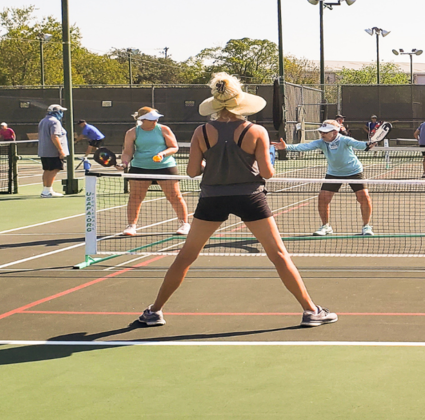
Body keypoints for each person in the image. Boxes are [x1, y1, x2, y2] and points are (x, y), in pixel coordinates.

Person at [135, 72, 337, 328]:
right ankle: (311, 311)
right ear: (240, 103)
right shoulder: (257, 131)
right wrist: (264, 157)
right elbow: (266, 173)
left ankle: (154, 311)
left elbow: (192, 171)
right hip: (250, 198)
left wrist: (214, 161)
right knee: (278, 255)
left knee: (186, 256)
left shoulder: (201, 131)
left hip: (212, 199)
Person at [274, 119, 376, 236]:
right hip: (334, 173)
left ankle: (366, 226)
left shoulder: (344, 140)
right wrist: (287, 147)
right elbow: (305, 146)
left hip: (354, 171)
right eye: (321, 131)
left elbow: (359, 144)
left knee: (364, 197)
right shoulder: (321, 142)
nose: (322, 134)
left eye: (325, 132)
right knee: (323, 198)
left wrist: (367, 145)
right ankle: (325, 226)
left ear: (335, 132)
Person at [117, 108, 190, 236]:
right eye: (151, 119)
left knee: (174, 196)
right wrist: (124, 163)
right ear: (142, 120)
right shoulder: (132, 132)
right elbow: (128, 152)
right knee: (135, 197)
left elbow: (174, 147)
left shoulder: (163, 129)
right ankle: (131, 226)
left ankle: (184, 224)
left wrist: (162, 154)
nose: (155, 120)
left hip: (165, 166)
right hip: (140, 167)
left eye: (156, 118)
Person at [37, 104, 69, 198]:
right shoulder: (55, 122)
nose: (62, 113)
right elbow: (54, 136)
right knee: (54, 169)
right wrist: (60, 150)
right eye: (61, 111)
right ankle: (47, 190)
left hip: (44, 151)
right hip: (52, 151)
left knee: (47, 170)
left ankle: (46, 190)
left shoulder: (43, 121)